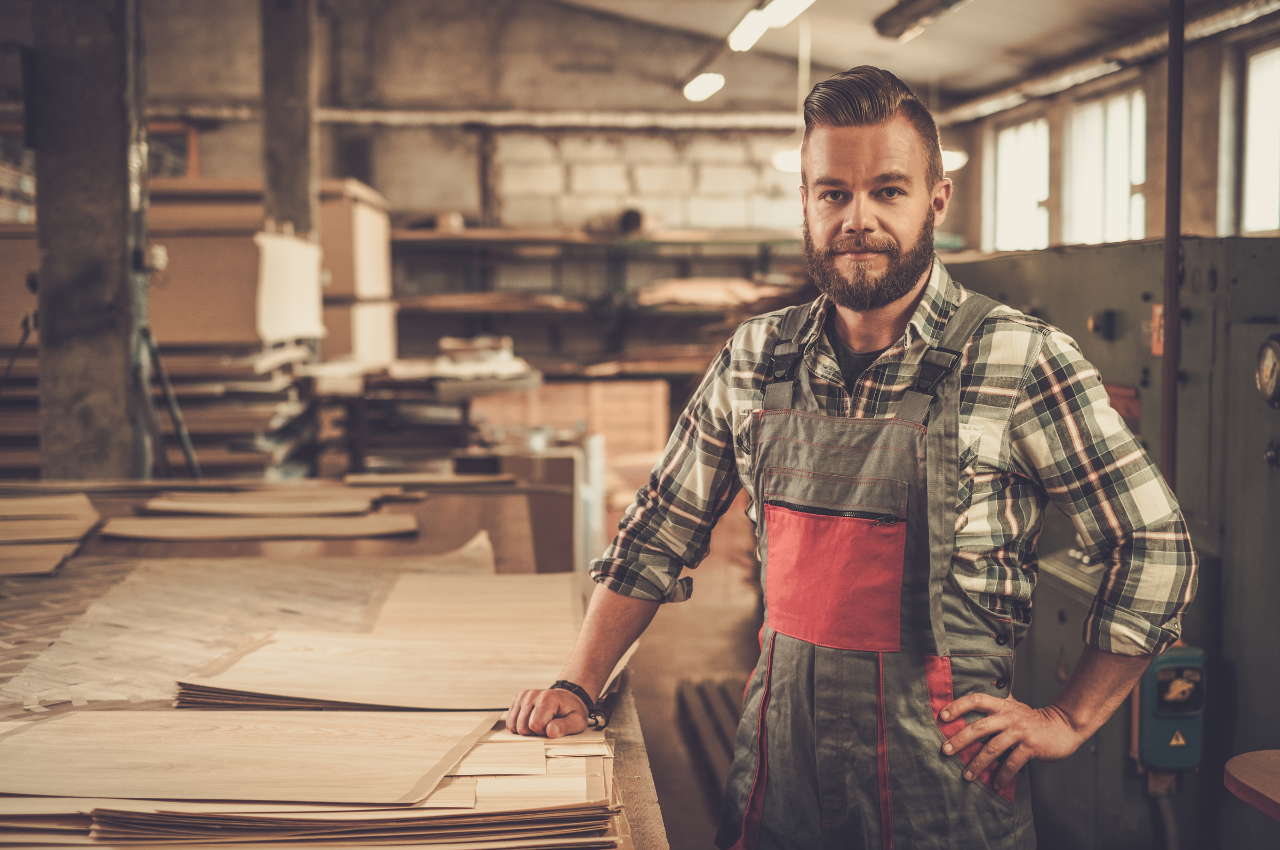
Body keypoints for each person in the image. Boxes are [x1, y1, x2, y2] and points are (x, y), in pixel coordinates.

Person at [507, 66, 1196, 850]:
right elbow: (657, 530)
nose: (857, 218)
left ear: (937, 200)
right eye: (833, 192)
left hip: (946, 791)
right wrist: (578, 682)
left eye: (888, 191)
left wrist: (1069, 718)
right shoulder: (756, 358)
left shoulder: (1019, 358)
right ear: (805, 202)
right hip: (777, 781)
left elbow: (1153, 544)